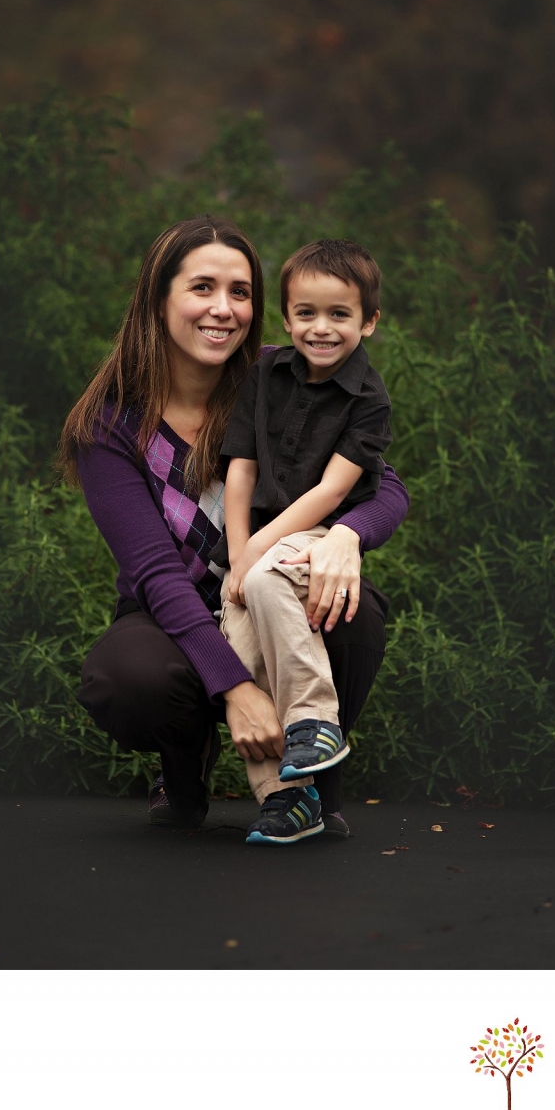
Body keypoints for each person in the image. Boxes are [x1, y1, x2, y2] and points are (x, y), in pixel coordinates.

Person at [56, 215, 410, 844]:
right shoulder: (108, 426)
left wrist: (346, 537)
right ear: (158, 298)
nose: (223, 309)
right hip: (176, 613)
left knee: (353, 610)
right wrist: (237, 688)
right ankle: (183, 763)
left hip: (276, 593)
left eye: (240, 292)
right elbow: (156, 575)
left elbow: (386, 487)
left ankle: (309, 782)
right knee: (129, 677)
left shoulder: (287, 376)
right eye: (202, 288)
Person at [215, 239, 392, 843]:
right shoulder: (264, 371)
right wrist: (237, 551)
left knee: (263, 581)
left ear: (368, 321)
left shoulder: (369, 401)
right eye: (306, 313)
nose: (321, 328)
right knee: (237, 640)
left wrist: (257, 552)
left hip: (313, 535)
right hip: (252, 541)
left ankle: (316, 720)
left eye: (339, 314)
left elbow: (330, 491)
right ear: (286, 317)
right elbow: (239, 467)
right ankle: (287, 800)